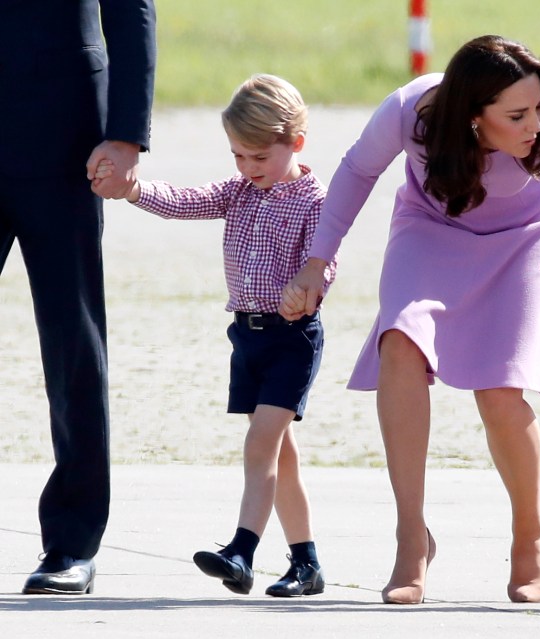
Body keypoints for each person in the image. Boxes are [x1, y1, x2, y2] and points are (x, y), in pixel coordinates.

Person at [280, 34, 540, 604]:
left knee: (501, 391)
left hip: (523, 245)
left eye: (538, 107)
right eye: (516, 114)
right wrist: (317, 262)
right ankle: (411, 536)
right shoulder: (413, 110)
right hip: (429, 235)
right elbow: (357, 173)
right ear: (473, 116)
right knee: (399, 344)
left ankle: (530, 536)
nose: (535, 123)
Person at [96, 74, 335, 597]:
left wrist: (306, 288)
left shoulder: (316, 199)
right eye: (238, 158)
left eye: (259, 158)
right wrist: (134, 188)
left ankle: (241, 552)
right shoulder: (241, 191)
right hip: (246, 337)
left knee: (260, 444)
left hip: (291, 339)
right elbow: (187, 201)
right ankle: (306, 563)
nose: (249, 170)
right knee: (280, 453)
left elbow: (324, 260)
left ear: (295, 143)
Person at [0, 0, 156, 595]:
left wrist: (125, 136)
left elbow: (131, 10)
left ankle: (73, 541)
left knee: (72, 345)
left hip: (63, 139)